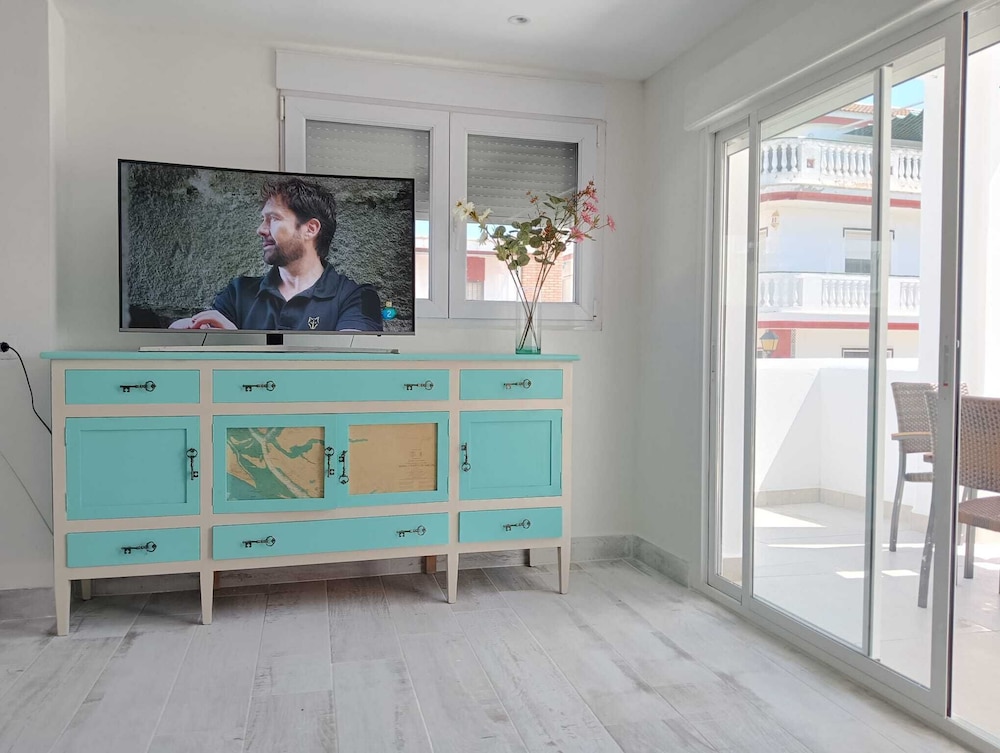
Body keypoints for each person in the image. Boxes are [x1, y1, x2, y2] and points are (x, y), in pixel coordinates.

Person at [170, 177, 383, 332]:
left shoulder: (355, 298)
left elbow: (347, 366)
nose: (261, 230)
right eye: (263, 219)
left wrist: (236, 341)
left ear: (310, 229)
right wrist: (184, 331)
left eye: (273, 219)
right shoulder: (238, 293)